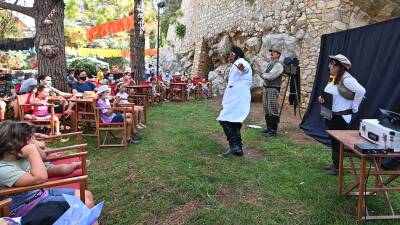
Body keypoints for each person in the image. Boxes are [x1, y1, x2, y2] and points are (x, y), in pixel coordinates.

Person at [0, 120, 95, 217]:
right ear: (13, 143)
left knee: (87, 195)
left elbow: (43, 157)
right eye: (27, 138)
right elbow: (41, 178)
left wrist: (33, 146)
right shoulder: (3, 168)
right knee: (85, 204)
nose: (31, 141)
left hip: (40, 194)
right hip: (27, 207)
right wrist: (32, 151)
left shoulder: (18, 155)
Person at [319, 54, 366, 175]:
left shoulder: (347, 79)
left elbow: (361, 91)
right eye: (331, 63)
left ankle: (338, 169)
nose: (330, 66)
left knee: (337, 142)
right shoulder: (334, 77)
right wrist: (322, 99)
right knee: (333, 141)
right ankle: (336, 164)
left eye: (333, 64)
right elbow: (330, 90)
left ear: (340, 67)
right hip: (332, 114)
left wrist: (355, 107)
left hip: (341, 116)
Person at [217, 46, 252, 157]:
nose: (229, 57)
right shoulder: (235, 65)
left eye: (232, 54)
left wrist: (242, 68)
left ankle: (234, 146)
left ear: (237, 55)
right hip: (236, 98)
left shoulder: (241, 62)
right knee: (235, 122)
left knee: (224, 119)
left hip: (238, 98)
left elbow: (244, 68)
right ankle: (238, 148)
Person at [259, 45, 284, 137]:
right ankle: (269, 128)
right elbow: (265, 73)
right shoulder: (271, 64)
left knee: (272, 109)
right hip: (266, 88)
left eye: (273, 52)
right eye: (271, 52)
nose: (271, 53)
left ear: (278, 55)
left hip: (273, 89)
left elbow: (269, 76)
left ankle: (273, 130)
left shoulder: (278, 66)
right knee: (266, 108)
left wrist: (264, 74)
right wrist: (264, 74)